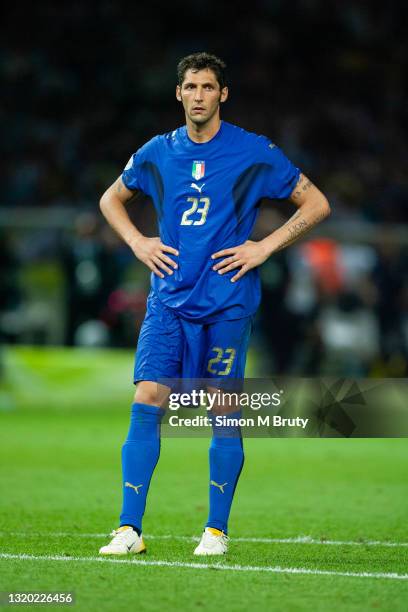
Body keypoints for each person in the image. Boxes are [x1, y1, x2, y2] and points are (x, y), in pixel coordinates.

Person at [98, 52, 330, 556]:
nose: (199, 96)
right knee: (147, 401)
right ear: (178, 94)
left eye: (208, 87)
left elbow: (316, 203)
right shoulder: (158, 152)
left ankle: (215, 531)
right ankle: (128, 530)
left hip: (227, 302)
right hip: (168, 301)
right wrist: (139, 243)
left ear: (223, 94)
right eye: (191, 87)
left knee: (223, 410)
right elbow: (110, 199)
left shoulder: (253, 151)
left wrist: (264, 247)